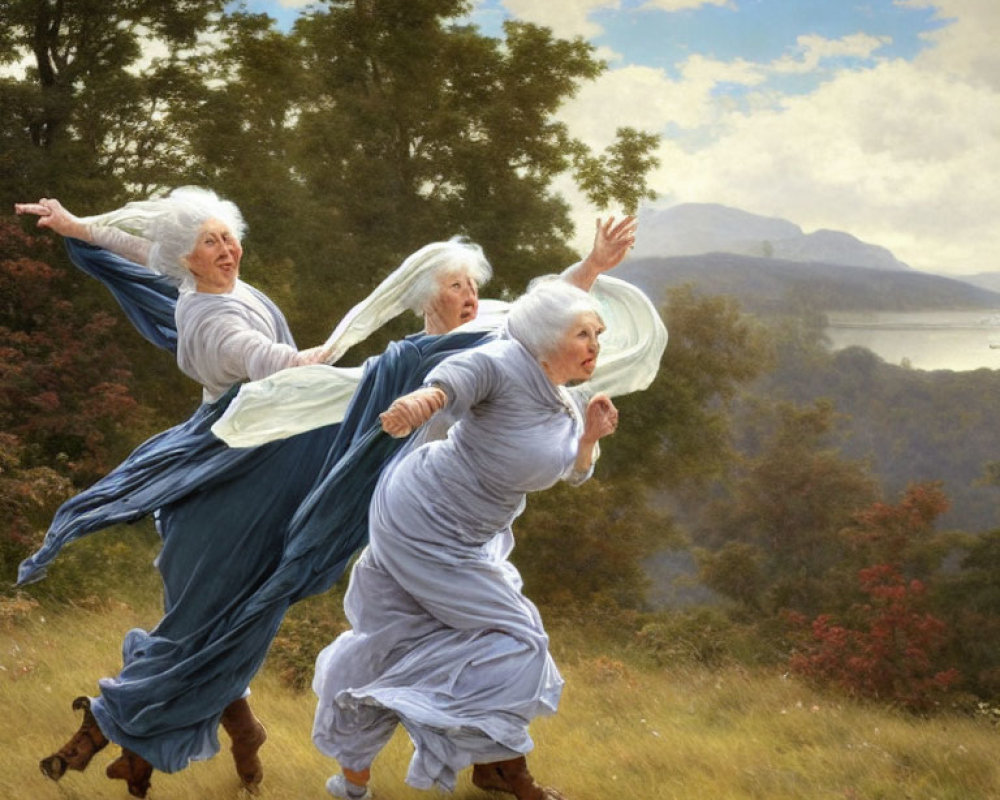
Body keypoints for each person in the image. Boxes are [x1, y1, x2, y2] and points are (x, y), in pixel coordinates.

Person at [13, 193, 656, 797]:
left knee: (437, 631)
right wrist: (337, 365)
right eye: (210, 242)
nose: (470, 296)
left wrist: (77, 227)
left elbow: (534, 320)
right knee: (471, 626)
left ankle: (472, 763)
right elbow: (280, 365)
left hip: (459, 517)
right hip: (310, 476)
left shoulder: (470, 337)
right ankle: (182, 723)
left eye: (228, 237)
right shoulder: (384, 355)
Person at [311, 279, 634, 800]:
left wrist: (590, 440)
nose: (595, 344)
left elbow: (573, 473)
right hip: (424, 518)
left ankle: (363, 781)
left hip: (473, 535)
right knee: (520, 638)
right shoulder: (502, 361)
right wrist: (422, 403)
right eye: (582, 333)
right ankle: (499, 767)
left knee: (398, 633)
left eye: (598, 332)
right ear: (549, 337)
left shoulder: (564, 399)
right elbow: (453, 382)